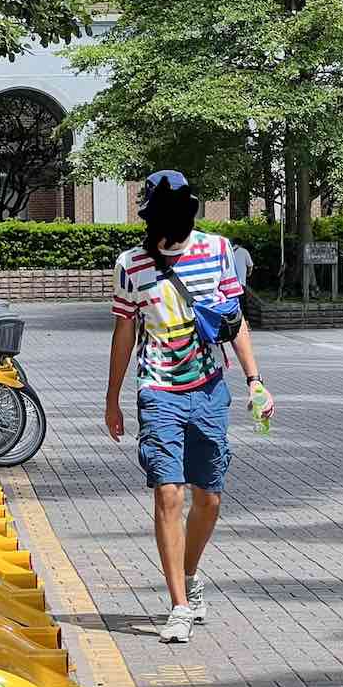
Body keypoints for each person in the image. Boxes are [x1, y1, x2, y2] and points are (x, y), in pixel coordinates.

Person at [105, 170, 274, 644]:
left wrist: (255, 381)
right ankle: (178, 604)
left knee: (209, 497)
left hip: (209, 389)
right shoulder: (131, 265)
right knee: (168, 493)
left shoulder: (217, 251)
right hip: (157, 390)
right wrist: (113, 397)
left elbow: (233, 321)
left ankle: (190, 574)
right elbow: (124, 333)